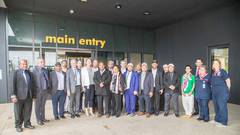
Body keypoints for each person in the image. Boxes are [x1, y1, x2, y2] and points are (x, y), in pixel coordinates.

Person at [11, 59, 35, 132]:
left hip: (28, 96)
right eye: (23, 64)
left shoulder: (29, 73)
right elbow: (12, 85)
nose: (24, 65)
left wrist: (33, 95)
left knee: (28, 111)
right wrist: (13, 96)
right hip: (19, 96)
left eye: (25, 64)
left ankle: (27, 123)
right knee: (18, 112)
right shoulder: (15, 72)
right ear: (19, 65)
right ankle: (18, 125)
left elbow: (32, 84)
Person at [211, 59, 231, 127]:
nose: (215, 64)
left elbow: (228, 81)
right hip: (215, 93)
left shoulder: (223, 71)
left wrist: (228, 91)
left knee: (222, 107)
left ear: (219, 64)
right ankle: (217, 120)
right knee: (216, 107)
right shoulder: (213, 73)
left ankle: (224, 122)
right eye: (214, 63)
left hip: (222, 92)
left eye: (216, 63)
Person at [32, 58, 50, 125]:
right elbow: (33, 82)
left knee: (43, 105)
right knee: (37, 106)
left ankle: (43, 118)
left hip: (45, 90)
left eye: (43, 62)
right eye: (41, 62)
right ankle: (38, 119)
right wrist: (34, 93)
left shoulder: (45, 70)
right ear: (37, 63)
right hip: (38, 91)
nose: (43, 63)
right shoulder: (34, 70)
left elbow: (47, 79)